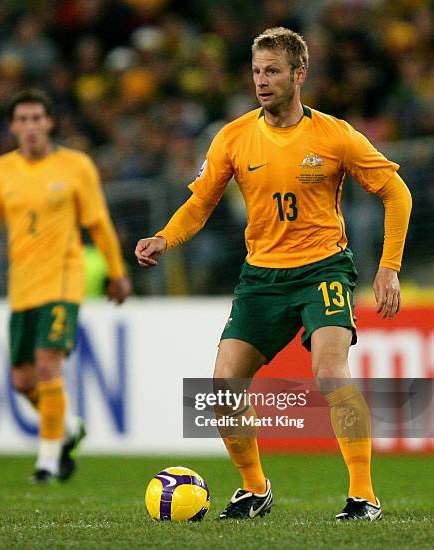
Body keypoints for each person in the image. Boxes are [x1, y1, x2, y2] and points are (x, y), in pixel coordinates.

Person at [135, 27, 412, 521]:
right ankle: (254, 488)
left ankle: (363, 495)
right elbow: (201, 202)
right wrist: (165, 237)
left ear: (299, 74)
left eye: (273, 71)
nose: (262, 81)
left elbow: (397, 193)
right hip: (261, 278)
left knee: (329, 372)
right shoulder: (235, 136)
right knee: (223, 386)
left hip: (323, 268)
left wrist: (388, 268)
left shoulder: (334, 135)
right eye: (257, 71)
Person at [0, 89, 132, 484]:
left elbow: (98, 222)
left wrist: (117, 273)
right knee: (22, 381)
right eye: (24, 119)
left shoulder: (75, 166)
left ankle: (48, 461)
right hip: (23, 285)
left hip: (63, 280)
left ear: (50, 123)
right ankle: (67, 426)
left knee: (49, 363)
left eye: (38, 118)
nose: (31, 126)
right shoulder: (1, 170)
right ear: (13, 126)